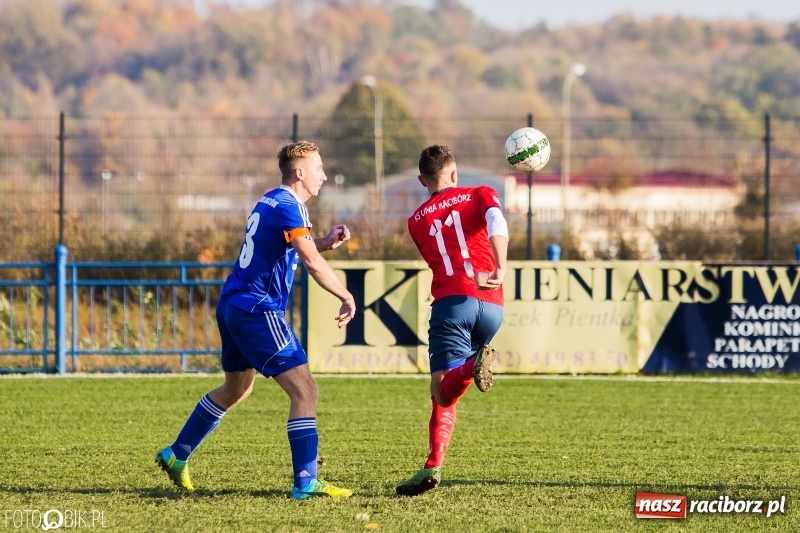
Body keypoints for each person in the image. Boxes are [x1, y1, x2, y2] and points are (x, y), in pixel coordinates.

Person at [156, 141, 356, 500]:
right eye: (319, 168)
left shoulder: (271, 200)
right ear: (300, 173)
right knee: (305, 389)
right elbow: (309, 262)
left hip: (234, 302)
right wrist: (344, 294)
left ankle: (177, 453)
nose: (323, 176)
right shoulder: (289, 207)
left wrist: (323, 241)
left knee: (237, 389)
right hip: (257, 309)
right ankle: (306, 482)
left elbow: (291, 248)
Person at [397, 144, 508, 496]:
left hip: (452, 303)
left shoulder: (415, 221)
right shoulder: (480, 193)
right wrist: (500, 264)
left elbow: (443, 252)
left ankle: (434, 462)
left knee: (440, 391)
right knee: (449, 393)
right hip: (492, 304)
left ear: (421, 180)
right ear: (455, 172)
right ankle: (432, 467)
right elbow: (496, 219)